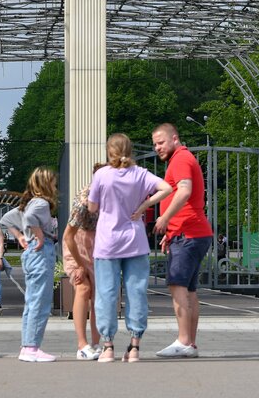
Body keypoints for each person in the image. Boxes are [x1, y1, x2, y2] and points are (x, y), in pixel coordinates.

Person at [89, 133, 173, 364]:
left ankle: (108, 347)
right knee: (136, 293)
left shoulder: (101, 175)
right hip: (135, 241)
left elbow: (92, 207)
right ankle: (134, 347)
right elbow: (166, 188)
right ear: (130, 150)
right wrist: (145, 204)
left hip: (107, 243)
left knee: (106, 294)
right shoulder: (140, 174)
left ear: (109, 151)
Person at [151, 123, 214, 359]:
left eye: (161, 142)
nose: (157, 147)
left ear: (175, 139)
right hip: (192, 234)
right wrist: (171, 232)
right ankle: (190, 343)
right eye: (155, 144)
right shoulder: (183, 158)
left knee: (178, 286)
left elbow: (184, 190)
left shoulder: (180, 159)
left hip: (188, 236)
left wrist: (165, 218)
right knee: (189, 290)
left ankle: (184, 341)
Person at [0, 167, 61, 363]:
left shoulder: (30, 202)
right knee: (40, 302)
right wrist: (39, 235)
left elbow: (6, 219)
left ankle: (27, 345)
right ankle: (31, 348)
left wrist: (20, 236)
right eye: (53, 184)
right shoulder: (41, 203)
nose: (55, 187)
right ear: (45, 185)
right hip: (41, 252)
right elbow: (29, 218)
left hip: (33, 253)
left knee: (33, 301)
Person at [62, 164, 104, 360]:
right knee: (83, 287)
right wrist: (79, 265)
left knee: (98, 295)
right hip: (77, 245)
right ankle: (82, 345)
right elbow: (68, 236)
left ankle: (96, 343)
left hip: (99, 244)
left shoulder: (113, 195)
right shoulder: (84, 199)